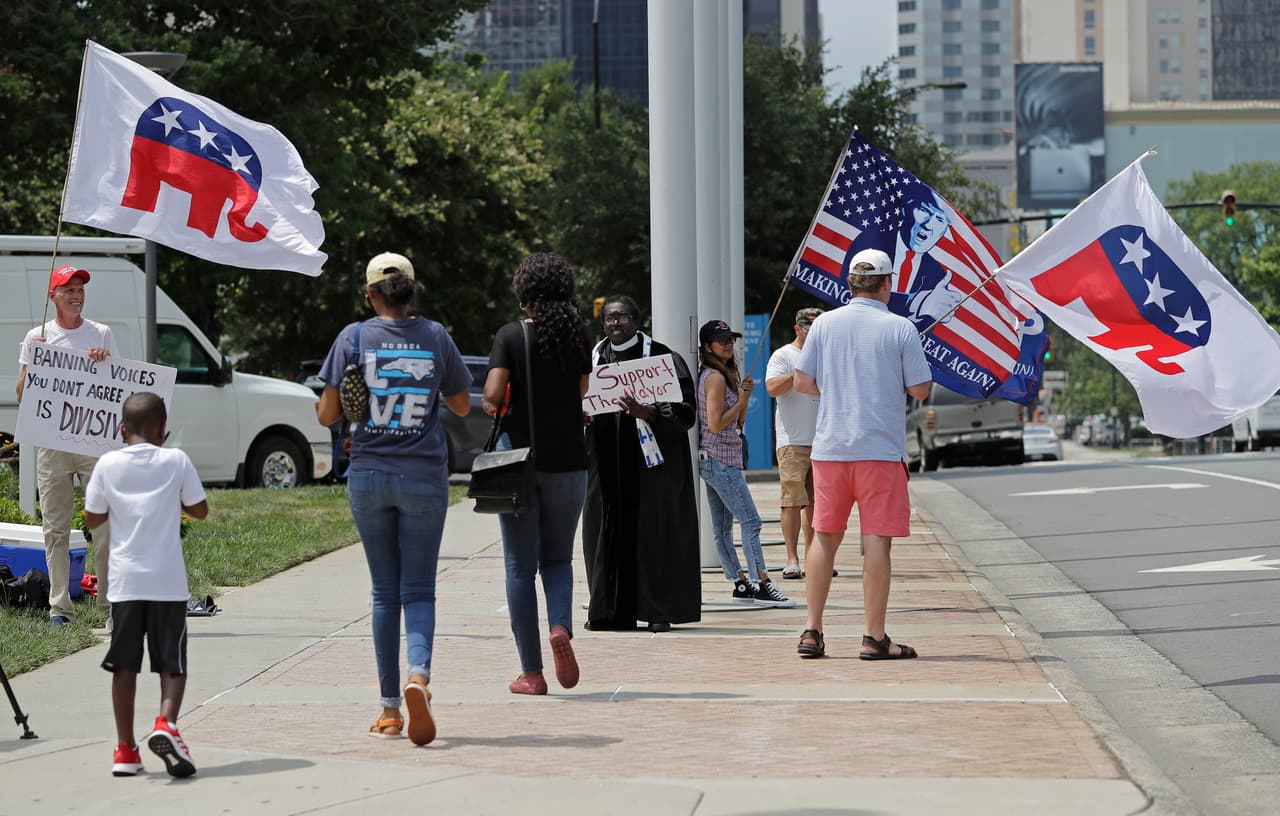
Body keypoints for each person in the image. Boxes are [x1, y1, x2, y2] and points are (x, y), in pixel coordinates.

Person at [317, 252, 472, 745]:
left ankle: (388, 710)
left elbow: (326, 416)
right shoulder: (435, 336)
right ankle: (418, 677)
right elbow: (463, 404)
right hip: (424, 476)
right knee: (419, 590)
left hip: (368, 473)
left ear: (371, 294)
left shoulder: (354, 338)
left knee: (384, 593)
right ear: (412, 290)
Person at [793, 249, 932, 660]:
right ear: (887, 283)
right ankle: (874, 637)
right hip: (880, 451)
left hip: (831, 447)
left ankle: (812, 631)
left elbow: (802, 381)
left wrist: (836, 392)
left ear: (851, 282)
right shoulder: (901, 328)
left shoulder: (824, 325)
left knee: (824, 537)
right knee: (876, 543)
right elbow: (920, 389)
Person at [83, 392, 209, 778]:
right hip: (167, 583)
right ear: (161, 429)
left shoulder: (107, 464)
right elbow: (200, 510)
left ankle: (125, 750)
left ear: (121, 429)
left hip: (124, 584)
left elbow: (92, 517)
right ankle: (166, 724)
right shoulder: (176, 460)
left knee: (124, 667)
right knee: (173, 663)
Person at [483, 253, 592, 695]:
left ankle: (531, 672)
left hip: (519, 466)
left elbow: (492, 394)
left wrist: (500, 402)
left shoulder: (510, 336)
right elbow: (583, 394)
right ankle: (561, 627)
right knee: (558, 559)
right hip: (569, 462)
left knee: (518, 566)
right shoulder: (577, 337)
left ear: (524, 293)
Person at [582, 296, 700, 633]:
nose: (615, 324)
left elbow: (686, 412)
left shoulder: (662, 358)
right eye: (609, 318)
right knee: (604, 532)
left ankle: (657, 610)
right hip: (605, 466)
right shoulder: (594, 358)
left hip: (651, 469)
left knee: (653, 535)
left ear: (636, 320)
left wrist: (647, 412)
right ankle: (608, 611)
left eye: (622, 317)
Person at [17, 264, 117, 628]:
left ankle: (110, 608)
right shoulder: (36, 337)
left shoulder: (101, 334)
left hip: (93, 444)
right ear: (53, 296)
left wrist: (104, 364)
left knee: (105, 526)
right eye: (68, 290)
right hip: (52, 444)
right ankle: (60, 608)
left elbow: (114, 391)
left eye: (80, 289)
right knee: (54, 529)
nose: (76, 296)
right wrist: (34, 364)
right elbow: (21, 395)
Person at [696, 319, 794, 609]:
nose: (729, 344)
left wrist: (743, 398)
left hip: (719, 459)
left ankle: (740, 582)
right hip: (720, 460)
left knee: (723, 527)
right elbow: (715, 424)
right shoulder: (714, 377)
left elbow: (737, 424)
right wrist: (740, 401)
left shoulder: (726, 373)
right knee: (751, 522)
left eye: (731, 340)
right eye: (722, 340)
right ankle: (762, 581)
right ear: (707, 346)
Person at [764, 307, 823, 581]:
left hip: (823, 440)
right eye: (809, 330)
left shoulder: (826, 355)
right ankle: (791, 559)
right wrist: (797, 372)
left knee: (817, 503)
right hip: (793, 439)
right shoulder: (784, 355)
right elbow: (772, 388)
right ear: (797, 329)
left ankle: (814, 558)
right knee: (792, 501)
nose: (813, 336)